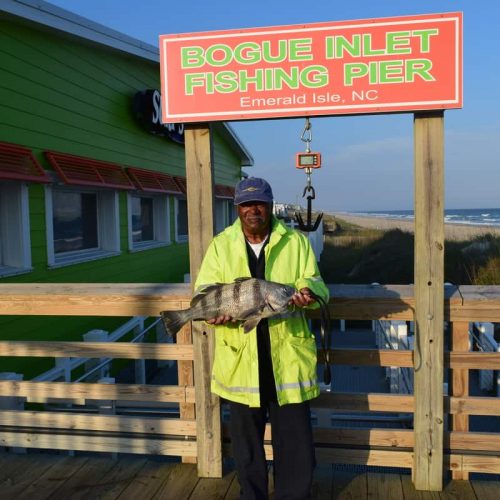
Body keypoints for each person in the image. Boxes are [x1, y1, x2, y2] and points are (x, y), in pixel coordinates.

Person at [194, 177, 329, 500]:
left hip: (288, 366)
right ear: (237, 208)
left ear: (269, 206)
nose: (253, 210)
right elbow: (204, 291)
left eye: (259, 203)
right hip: (240, 365)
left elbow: (318, 282)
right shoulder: (220, 244)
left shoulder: (295, 242)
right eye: (246, 204)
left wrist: (310, 292)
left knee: (296, 450)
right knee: (247, 451)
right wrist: (214, 314)